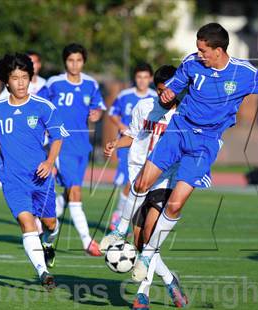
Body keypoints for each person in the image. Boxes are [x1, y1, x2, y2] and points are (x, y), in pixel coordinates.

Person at [130, 22, 258, 282]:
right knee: (141, 184)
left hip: (205, 144)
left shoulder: (244, 73)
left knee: (176, 203)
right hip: (179, 131)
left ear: (218, 50)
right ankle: (122, 233)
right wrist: (168, 93)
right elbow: (171, 88)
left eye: (203, 50)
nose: (198, 53)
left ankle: (148, 254)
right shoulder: (192, 63)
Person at [0, 53, 68, 288]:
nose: (21, 83)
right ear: (7, 81)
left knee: (50, 224)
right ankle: (43, 273)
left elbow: (58, 137)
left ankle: (48, 243)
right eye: (16, 78)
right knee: (27, 223)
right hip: (12, 178)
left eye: (25, 77)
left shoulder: (43, 106)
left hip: (41, 177)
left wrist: (49, 162)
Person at [103, 65, 187, 308]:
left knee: (150, 237)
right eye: (161, 91)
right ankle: (171, 281)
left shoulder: (184, 114)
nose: (165, 96)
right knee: (140, 244)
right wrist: (115, 145)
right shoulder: (145, 107)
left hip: (165, 180)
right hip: (140, 177)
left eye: (169, 91)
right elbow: (132, 134)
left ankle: (143, 294)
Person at [38, 43, 106, 256]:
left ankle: (45, 225)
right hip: (61, 146)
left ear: (83, 61)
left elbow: (98, 108)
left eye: (78, 60)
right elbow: (38, 104)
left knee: (70, 193)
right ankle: (87, 241)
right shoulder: (54, 83)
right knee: (76, 191)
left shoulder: (91, 84)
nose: (74, 64)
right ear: (65, 61)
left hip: (81, 146)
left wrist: (96, 114)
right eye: (70, 60)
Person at [0, 50, 47, 221]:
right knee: (9, 172)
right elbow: (0, 107)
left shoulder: (46, 85)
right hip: (16, 137)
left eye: (35, 61)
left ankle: (48, 210)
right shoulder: (14, 84)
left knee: (47, 170)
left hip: (40, 138)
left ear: (38, 65)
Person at [108, 63, 157, 230]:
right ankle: (120, 214)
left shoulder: (155, 97)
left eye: (145, 77)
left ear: (150, 79)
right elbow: (112, 113)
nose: (142, 81)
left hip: (147, 146)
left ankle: (130, 217)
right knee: (130, 181)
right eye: (139, 77)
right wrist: (122, 126)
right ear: (134, 78)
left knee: (144, 183)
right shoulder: (125, 95)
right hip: (128, 144)